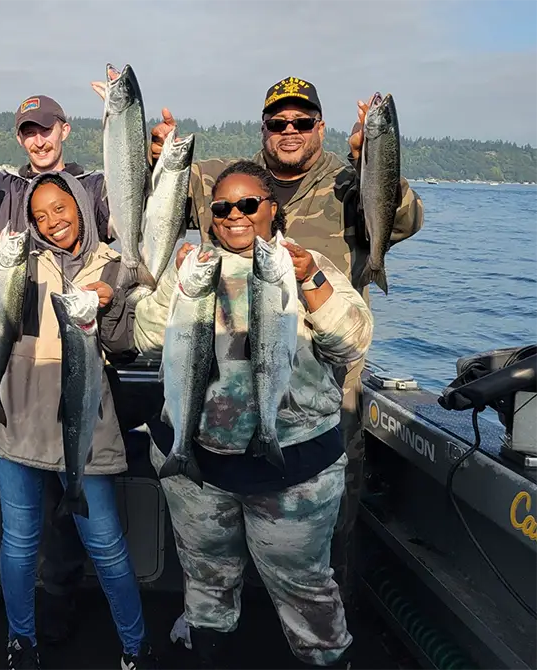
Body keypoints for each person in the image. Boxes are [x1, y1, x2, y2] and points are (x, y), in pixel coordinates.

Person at [145, 76, 424, 604]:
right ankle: (212, 619)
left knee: (325, 538)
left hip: (329, 394)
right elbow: (151, 207)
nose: (289, 131)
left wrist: (376, 163)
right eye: (278, 122)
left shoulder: (350, 180)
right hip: (221, 389)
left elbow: (405, 218)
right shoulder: (221, 181)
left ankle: (319, 625)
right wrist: (156, 157)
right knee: (211, 548)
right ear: (265, 128)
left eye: (301, 121)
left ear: (321, 126)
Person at [133, 160, 374, 669]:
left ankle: (326, 659)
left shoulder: (309, 267)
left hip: (295, 470)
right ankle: (209, 654)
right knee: (205, 584)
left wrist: (309, 278)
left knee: (305, 590)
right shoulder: (191, 268)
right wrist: (174, 281)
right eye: (222, 207)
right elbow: (146, 337)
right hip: (198, 470)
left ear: (272, 211)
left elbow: (350, 341)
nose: (234, 215)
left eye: (249, 204)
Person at [0, 95, 121, 641]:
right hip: (3, 358)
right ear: (20, 138)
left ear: (65, 129)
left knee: (63, 494)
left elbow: (138, 223)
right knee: (2, 493)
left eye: (46, 130)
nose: (38, 140)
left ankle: (58, 591)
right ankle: (0, 583)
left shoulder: (96, 187)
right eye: (28, 132)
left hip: (66, 358)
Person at [0, 170, 155, 669]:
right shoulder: (17, 265)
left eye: (61, 209)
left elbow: (123, 347)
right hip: (15, 418)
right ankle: (19, 640)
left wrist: (112, 308)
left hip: (83, 422)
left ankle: (136, 647)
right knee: (21, 541)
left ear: (81, 207)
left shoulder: (117, 265)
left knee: (107, 544)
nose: (52, 222)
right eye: (40, 215)